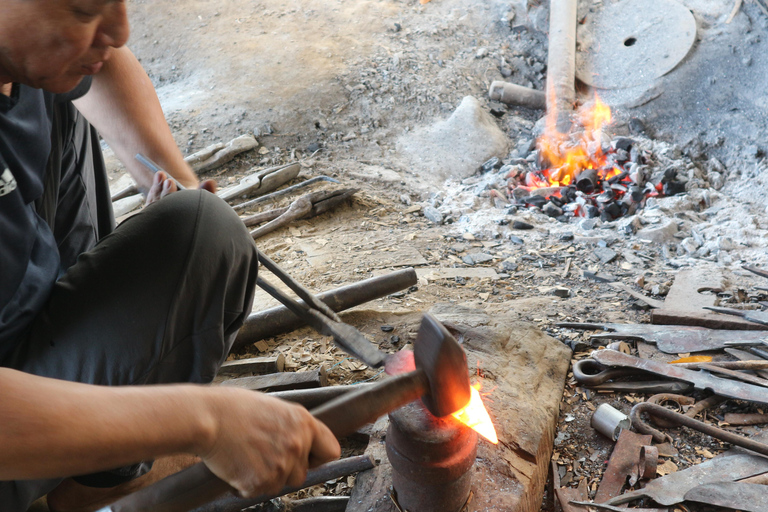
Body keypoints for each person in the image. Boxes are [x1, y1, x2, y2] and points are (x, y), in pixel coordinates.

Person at [0, 1, 340, 511]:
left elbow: (103, 66)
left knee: (201, 228)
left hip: (21, 297)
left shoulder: (24, 55)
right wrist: (203, 421)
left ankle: (90, 469)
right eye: (86, 8)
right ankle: (88, 487)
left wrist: (169, 178)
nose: (120, 30)